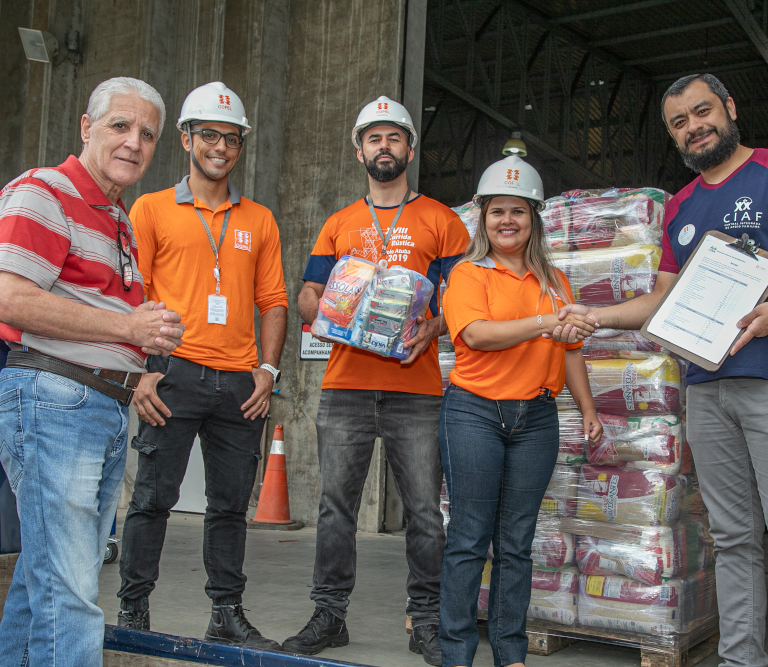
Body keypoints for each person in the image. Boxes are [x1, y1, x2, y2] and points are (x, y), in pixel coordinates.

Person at [571, 74, 768, 667]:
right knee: (731, 539)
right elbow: (661, 299)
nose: (693, 127)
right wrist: (595, 315)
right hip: (706, 388)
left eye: (702, 112)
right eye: (679, 122)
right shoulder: (680, 206)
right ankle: (740, 659)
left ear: (729, 108)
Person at [0, 77, 185, 667]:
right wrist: (128, 330)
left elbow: (93, 313)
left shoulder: (115, 217)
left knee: (41, 585)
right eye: (120, 127)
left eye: (147, 134)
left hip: (94, 407)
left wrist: (141, 347)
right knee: (71, 598)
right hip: (54, 402)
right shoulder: (43, 193)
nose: (134, 143)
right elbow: (11, 300)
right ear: (85, 127)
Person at [287, 96, 471, 665]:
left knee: (422, 512)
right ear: (359, 149)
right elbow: (306, 296)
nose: (384, 147)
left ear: (410, 149)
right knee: (335, 508)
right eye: (374, 138)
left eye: (394, 138)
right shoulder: (339, 223)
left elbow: (463, 299)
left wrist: (437, 325)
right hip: (345, 386)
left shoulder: (442, 220)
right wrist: (321, 308)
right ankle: (329, 614)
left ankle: (425, 620)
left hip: (416, 389)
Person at [115, 82, 288, 650]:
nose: (220, 146)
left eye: (231, 138)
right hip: (174, 371)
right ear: (187, 139)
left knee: (230, 506)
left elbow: (274, 302)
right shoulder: (151, 208)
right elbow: (129, 293)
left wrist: (268, 372)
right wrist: (139, 371)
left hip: (240, 384)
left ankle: (226, 613)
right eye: (209, 135)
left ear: (241, 145)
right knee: (153, 499)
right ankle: (134, 608)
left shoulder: (259, 220)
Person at [437, 156, 601, 667]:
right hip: (474, 414)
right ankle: (457, 655)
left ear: (534, 219)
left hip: (536, 419)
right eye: (496, 212)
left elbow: (570, 350)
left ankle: (511, 654)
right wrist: (546, 321)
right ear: (483, 219)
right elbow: (477, 336)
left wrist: (588, 409)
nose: (506, 222)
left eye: (518, 212)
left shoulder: (554, 281)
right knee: (469, 537)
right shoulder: (468, 274)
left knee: (516, 542)